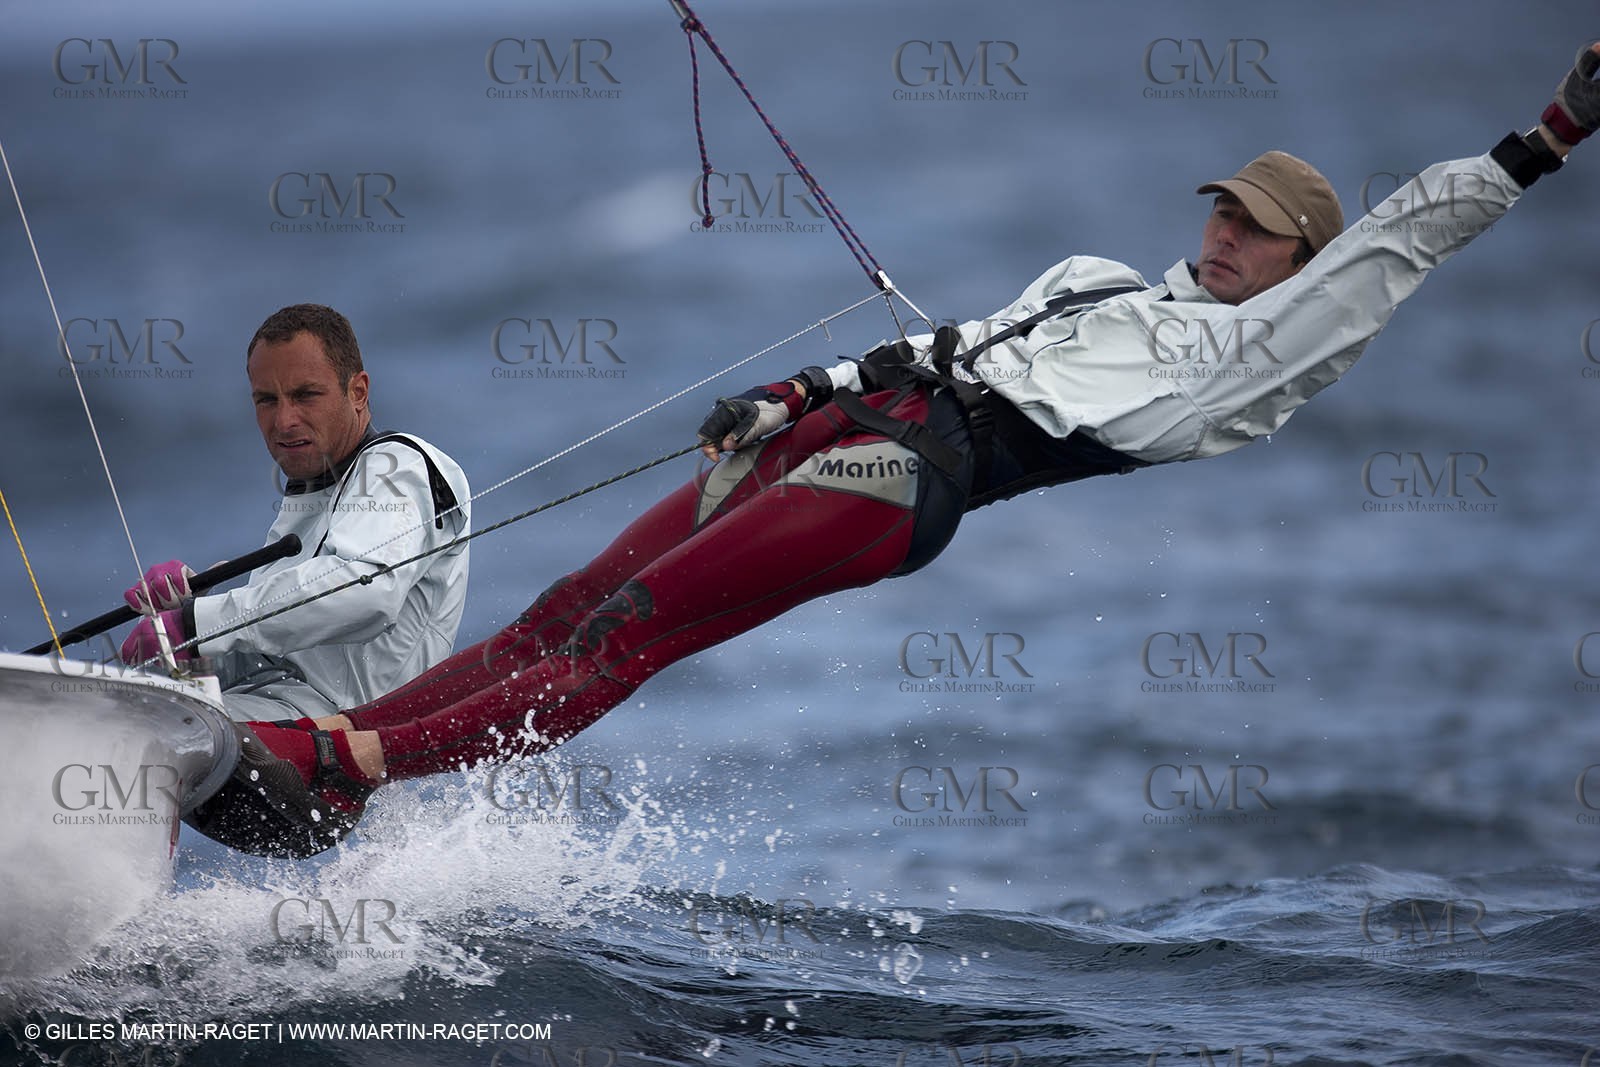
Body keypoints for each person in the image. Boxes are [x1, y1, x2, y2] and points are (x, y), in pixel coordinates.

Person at [184, 45, 1599, 857]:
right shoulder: (1105, 274)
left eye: (1256, 231)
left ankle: (348, 753)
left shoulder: (1263, 355)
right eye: (1222, 212)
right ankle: (322, 770)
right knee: (563, 605)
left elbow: (1410, 232)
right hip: (843, 422)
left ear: (1302, 263)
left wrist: (1547, 136)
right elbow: (940, 339)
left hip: (911, 482)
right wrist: (789, 390)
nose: (1226, 237)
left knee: (626, 631)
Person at [120, 304, 472, 722]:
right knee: (127, 705)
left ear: (357, 392)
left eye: (306, 395)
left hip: (338, 734)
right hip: (281, 718)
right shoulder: (312, 494)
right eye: (266, 400)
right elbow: (269, 656)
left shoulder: (397, 465)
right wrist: (178, 637)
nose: (284, 420)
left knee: (130, 723)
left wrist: (197, 624)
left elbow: (365, 593)